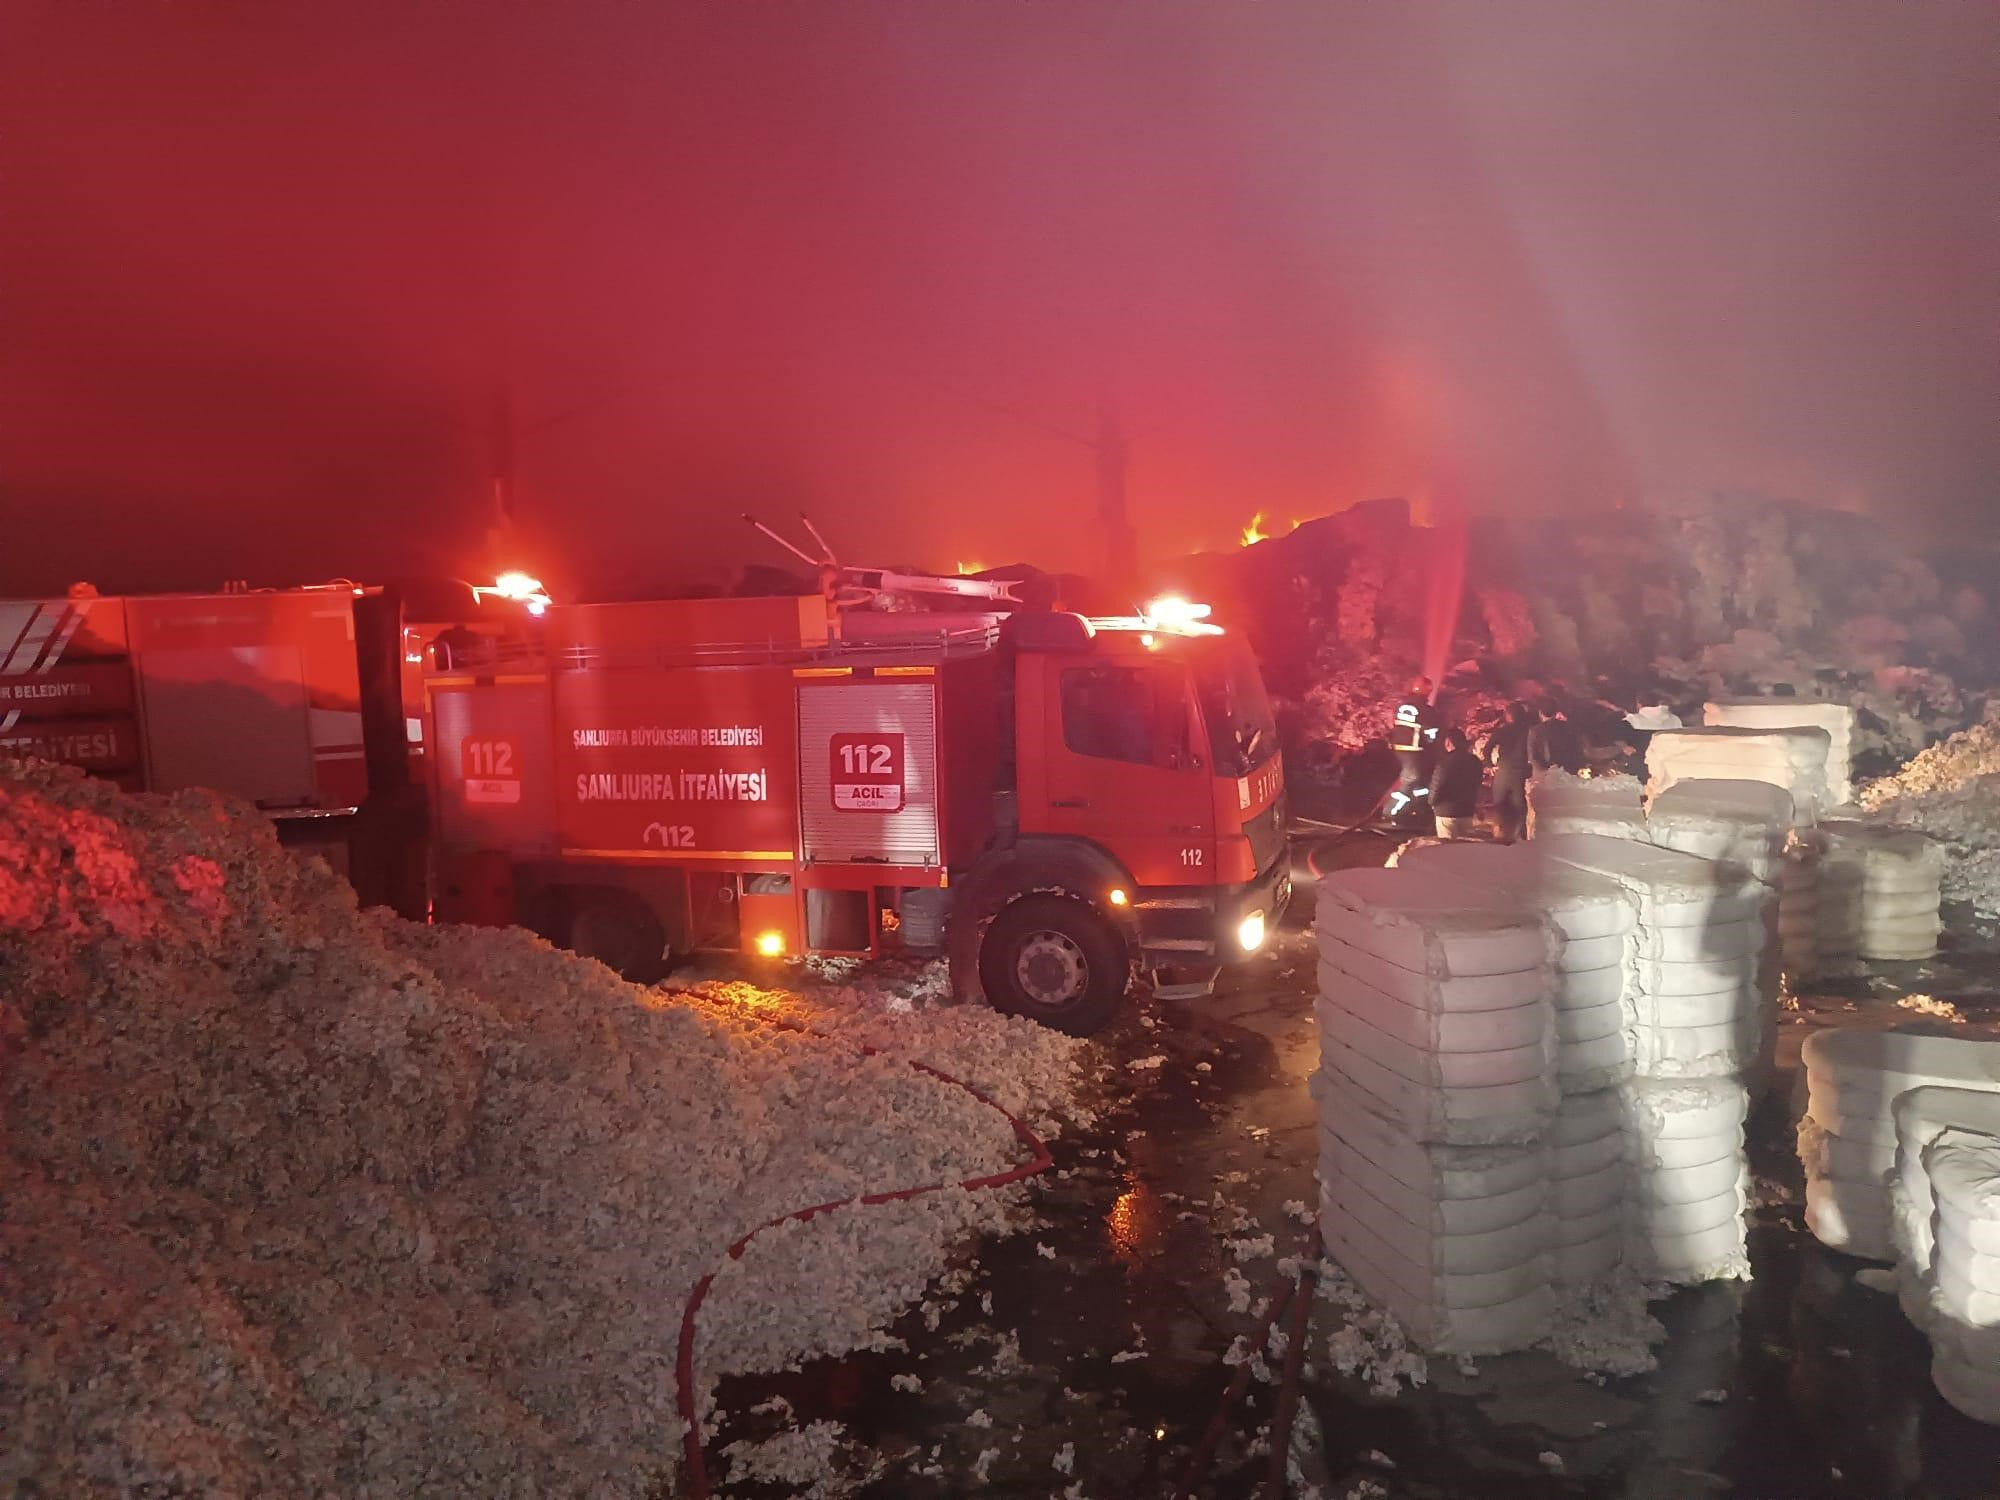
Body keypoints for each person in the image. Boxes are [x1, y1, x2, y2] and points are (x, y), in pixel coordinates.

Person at [1485, 700, 1535, 843]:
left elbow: (1487, 748)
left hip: (1503, 772)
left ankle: (1498, 837)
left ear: (1509, 716)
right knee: (1519, 809)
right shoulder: (1529, 731)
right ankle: (1520, 839)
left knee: (1500, 808)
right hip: (1520, 774)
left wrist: (1490, 765)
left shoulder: (1503, 730)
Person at [1429, 726, 1484, 839]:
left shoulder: (1444, 763)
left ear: (1449, 742)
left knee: (1447, 850)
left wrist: (1432, 802)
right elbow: (1477, 786)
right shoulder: (1475, 762)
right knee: (1464, 849)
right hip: (1466, 812)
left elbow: (1437, 787)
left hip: (1446, 813)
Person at [1529, 699, 1587, 775]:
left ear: (1540, 713)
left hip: (1547, 775)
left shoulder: (1535, 731)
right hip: (1569, 773)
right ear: (1556, 712)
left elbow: (1533, 757)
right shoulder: (1569, 727)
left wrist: (1545, 773)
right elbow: (1579, 751)